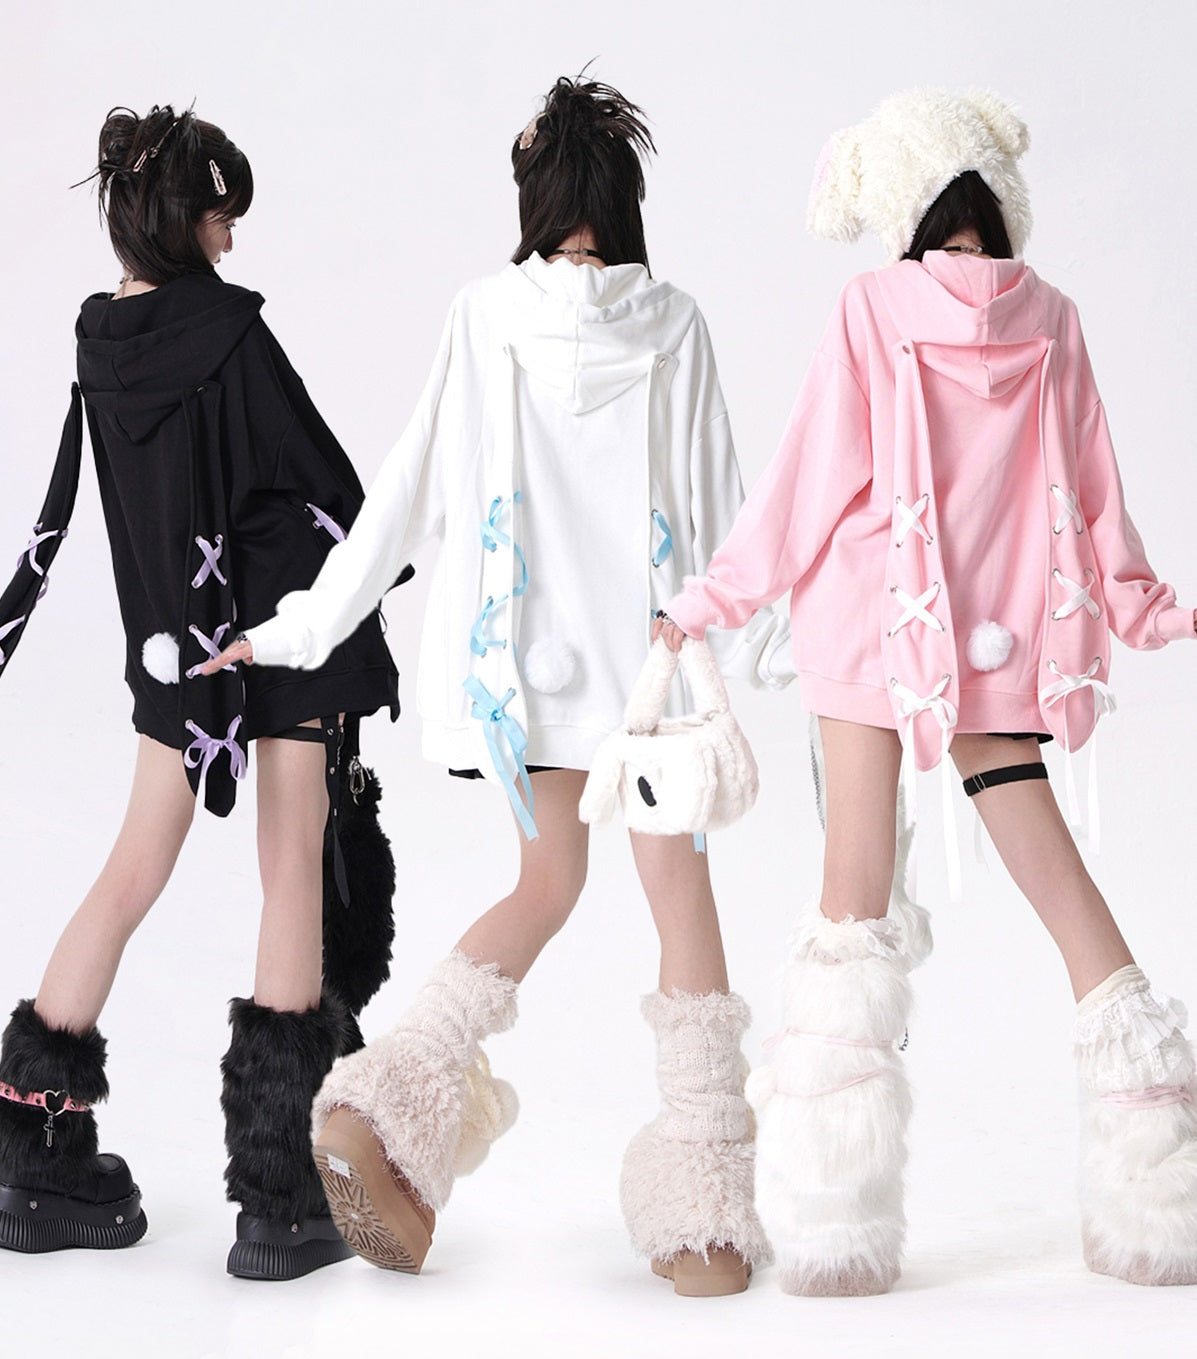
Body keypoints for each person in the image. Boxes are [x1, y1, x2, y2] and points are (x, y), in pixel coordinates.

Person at [208, 74, 790, 1296]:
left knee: (544, 883)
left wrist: (299, 626)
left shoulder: (484, 315)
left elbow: (402, 494)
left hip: (522, 679)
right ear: (622, 204)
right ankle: (703, 1215)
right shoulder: (674, 323)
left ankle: (387, 1102)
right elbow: (726, 512)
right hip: (651, 678)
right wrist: (785, 650)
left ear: (534, 201)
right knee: (679, 897)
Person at [658, 88, 1197, 1294]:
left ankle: (835, 1232)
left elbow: (805, 485)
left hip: (874, 634)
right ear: (999, 201)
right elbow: (1097, 497)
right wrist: (1154, 610)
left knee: (850, 903)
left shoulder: (873, 307)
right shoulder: (1052, 316)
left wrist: (707, 602)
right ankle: (1159, 1192)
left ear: (903, 208)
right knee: (1065, 892)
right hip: (999, 645)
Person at [0, 105, 404, 1280]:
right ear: (184, 216)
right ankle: (279, 1197)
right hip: (280, 629)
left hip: (175, 647)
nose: (232, 238)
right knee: (292, 866)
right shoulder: (228, 332)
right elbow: (322, 476)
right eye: (223, 215)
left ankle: (31, 1149)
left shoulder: (100, 342)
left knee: (132, 866)